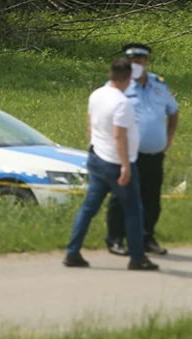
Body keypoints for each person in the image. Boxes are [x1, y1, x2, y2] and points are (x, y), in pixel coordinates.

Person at [63, 59, 158, 271]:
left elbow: (90, 124)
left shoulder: (97, 94)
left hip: (97, 157)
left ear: (110, 74)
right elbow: (119, 135)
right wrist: (125, 166)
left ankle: (72, 251)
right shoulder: (122, 103)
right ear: (129, 78)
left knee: (89, 208)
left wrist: (93, 145)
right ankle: (137, 257)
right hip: (115, 162)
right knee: (133, 210)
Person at [105, 42, 179, 257]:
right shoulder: (119, 86)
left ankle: (147, 237)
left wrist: (168, 139)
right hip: (128, 154)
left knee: (151, 198)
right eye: (132, 61)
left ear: (146, 62)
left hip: (154, 154)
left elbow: (173, 112)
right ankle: (115, 239)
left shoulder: (159, 85)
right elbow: (105, 115)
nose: (136, 64)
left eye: (139, 60)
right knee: (121, 197)